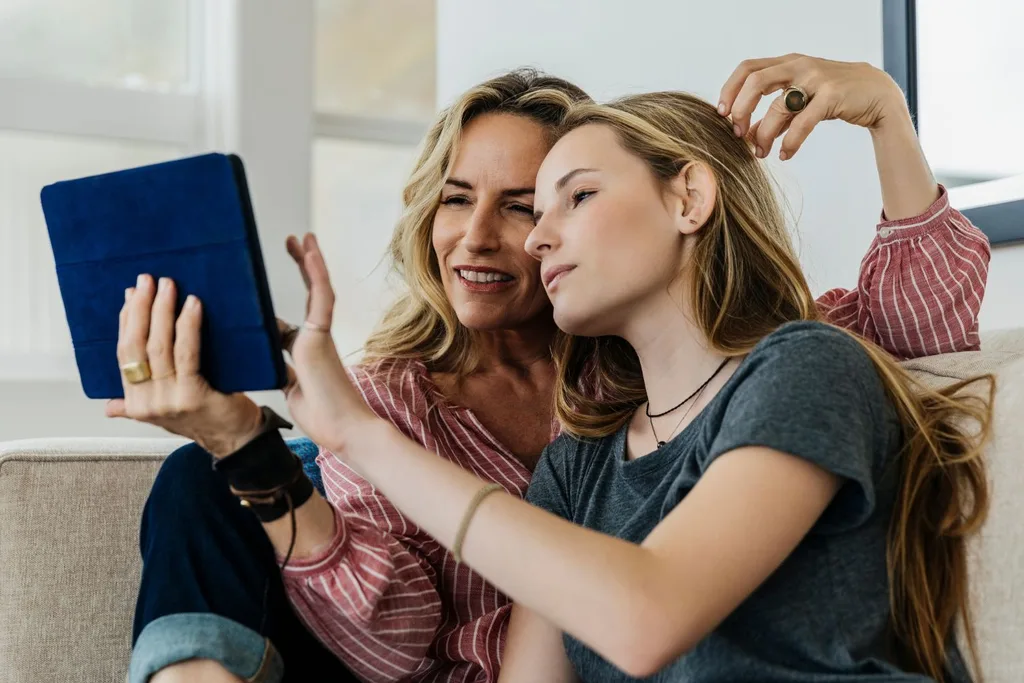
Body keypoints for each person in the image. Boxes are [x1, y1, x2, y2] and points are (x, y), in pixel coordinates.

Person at [120, 56, 991, 683]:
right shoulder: (582, 458)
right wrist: (307, 438)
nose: (526, 236)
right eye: (459, 199)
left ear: (688, 198)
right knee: (202, 477)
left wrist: (885, 113)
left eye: (560, 200)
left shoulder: (799, 365)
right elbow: (447, 652)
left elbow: (918, 328)